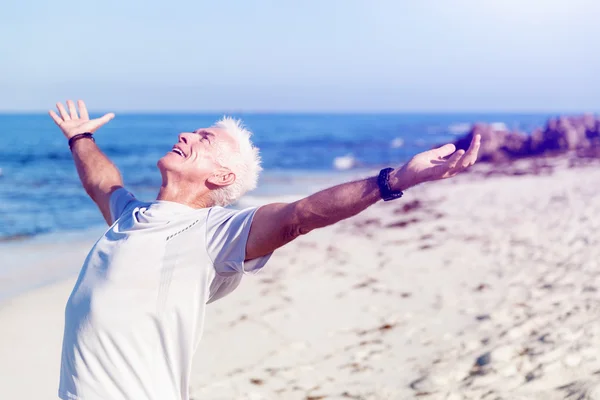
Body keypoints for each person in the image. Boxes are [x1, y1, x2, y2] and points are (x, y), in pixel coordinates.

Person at [49, 100, 481, 400]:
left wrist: (394, 181)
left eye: (203, 138)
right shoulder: (131, 216)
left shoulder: (213, 233)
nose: (185, 135)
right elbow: (102, 182)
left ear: (221, 176)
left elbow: (300, 215)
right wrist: (80, 137)